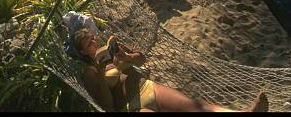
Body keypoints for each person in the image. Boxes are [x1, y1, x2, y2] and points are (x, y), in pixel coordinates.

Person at [72, 29, 269, 112]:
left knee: (197, 107)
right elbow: (107, 107)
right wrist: (99, 70)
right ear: (82, 51)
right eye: (89, 42)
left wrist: (127, 58)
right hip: (131, 108)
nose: (95, 41)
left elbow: (142, 58)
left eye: (94, 37)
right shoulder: (90, 72)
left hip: (147, 88)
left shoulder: (113, 47)